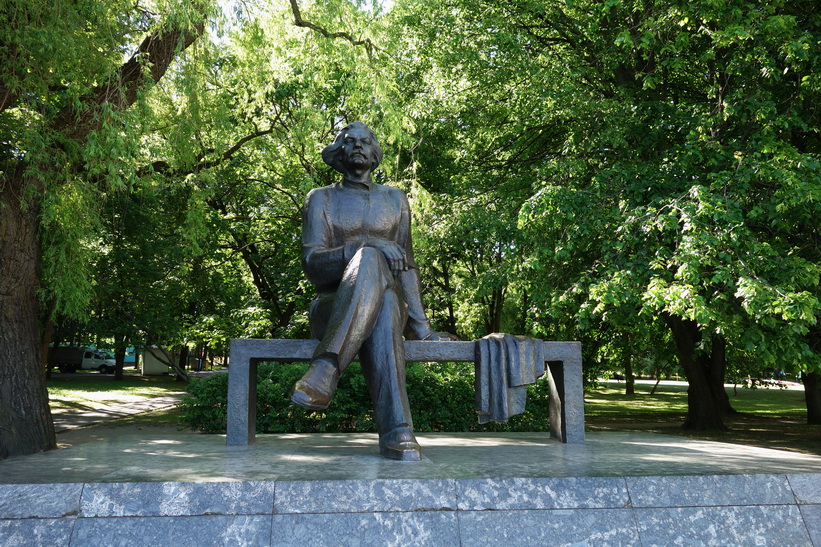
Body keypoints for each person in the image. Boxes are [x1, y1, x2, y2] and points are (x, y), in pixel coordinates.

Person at [290, 122, 454, 461]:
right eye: (350, 143)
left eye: (366, 142)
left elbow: (406, 265)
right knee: (372, 269)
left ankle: (326, 370)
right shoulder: (321, 198)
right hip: (332, 308)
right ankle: (398, 433)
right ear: (339, 151)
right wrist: (363, 246)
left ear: (375, 151)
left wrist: (422, 329)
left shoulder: (394, 199)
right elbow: (312, 265)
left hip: (387, 307)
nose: (359, 148)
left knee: (388, 300)